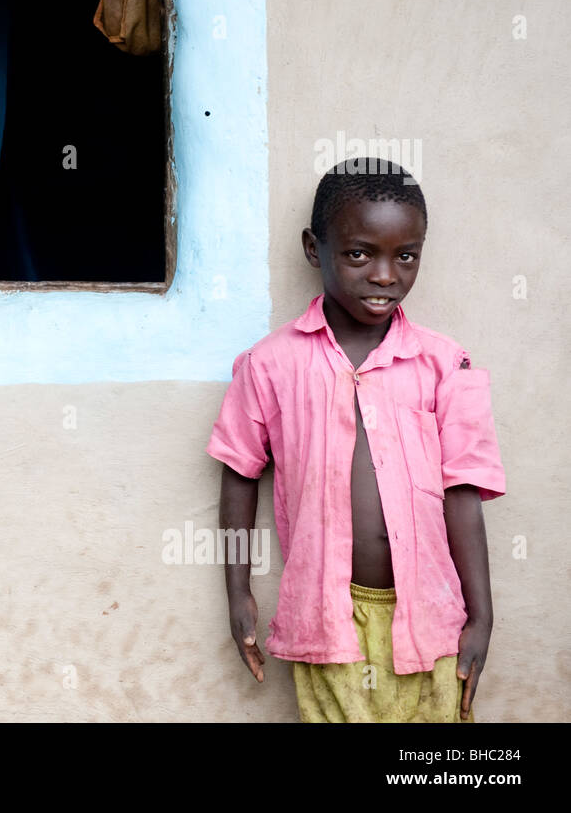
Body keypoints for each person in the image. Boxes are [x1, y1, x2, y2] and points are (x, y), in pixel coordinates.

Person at [207, 159, 506, 722]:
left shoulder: (446, 365)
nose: (386, 275)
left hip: (431, 617)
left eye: (406, 255)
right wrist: (237, 592)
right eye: (360, 254)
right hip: (326, 618)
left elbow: (463, 495)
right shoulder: (270, 365)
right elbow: (239, 474)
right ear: (314, 250)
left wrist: (481, 616)